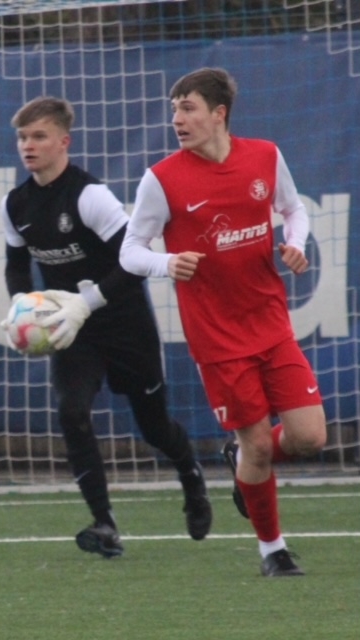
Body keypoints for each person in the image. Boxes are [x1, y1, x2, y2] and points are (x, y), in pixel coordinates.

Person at [120, 67, 327, 577]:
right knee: (257, 443)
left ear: (219, 114)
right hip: (217, 338)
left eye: (187, 108)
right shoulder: (161, 179)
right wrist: (167, 263)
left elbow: (294, 209)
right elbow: (130, 250)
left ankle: (244, 462)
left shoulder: (265, 156)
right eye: (174, 110)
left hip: (271, 322)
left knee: (309, 438)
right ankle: (273, 550)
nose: (177, 119)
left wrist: (295, 243)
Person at [0, 96, 212, 558]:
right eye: (22, 137)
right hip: (72, 331)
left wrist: (87, 302)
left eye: (39, 136)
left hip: (124, 324)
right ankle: (105, 524)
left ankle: (191, 476)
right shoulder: (15, 204)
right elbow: (16, 265)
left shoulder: (89, 197)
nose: (28, 145)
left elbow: (134, 263)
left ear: (63, 141)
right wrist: (21, 303)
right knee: (71, 412)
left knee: (154, 428)